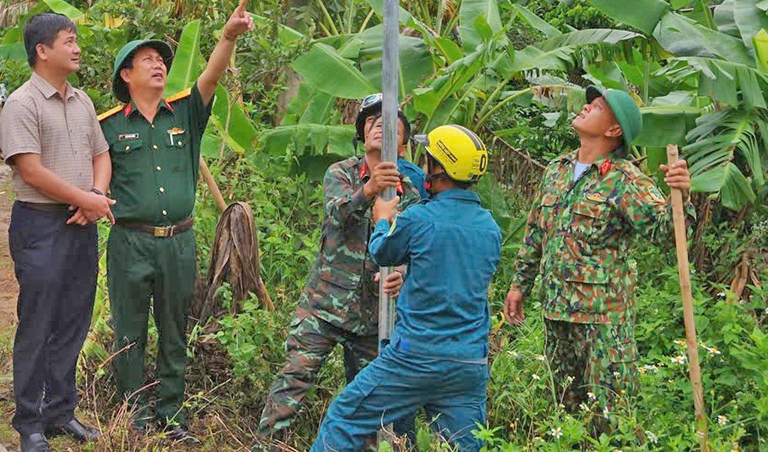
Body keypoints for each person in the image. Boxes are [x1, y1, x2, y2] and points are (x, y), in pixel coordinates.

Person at [99, 0, 254, 443]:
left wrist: (228, 36)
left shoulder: (185, 110)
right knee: (129, 329)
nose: (158, 65)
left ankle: (171, 413)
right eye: (146, 60)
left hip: (178, 242)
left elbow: (212, 74)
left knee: (173, 328)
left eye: (161, 60)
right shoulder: (106, 126)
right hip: (130, 241)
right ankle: (136, 411)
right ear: (125, 75)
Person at [503, 86, 692, 427]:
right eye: (589, 102)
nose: (586, 107)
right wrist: (520, 285)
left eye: (597, 106)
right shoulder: (557, 170)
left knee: (610, 415)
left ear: (614, 130)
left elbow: (664, 233)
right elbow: (536, 233)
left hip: (601, 320)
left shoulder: (625, 180)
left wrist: (681, 196)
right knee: (564, 410)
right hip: (556, 311)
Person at [312, 124, 500, 452]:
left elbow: (384, 251)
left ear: (439, 168)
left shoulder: (419, 218)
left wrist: (384, 218)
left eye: (428, 159)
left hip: (416, 358)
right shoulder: (490, 227)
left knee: (344, 417)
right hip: (468, 364)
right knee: (465, 446)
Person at [257, 93, 422, 442]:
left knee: (370, 408)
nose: (380, 126)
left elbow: (417, 250)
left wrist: (402, 275)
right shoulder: (342, 173)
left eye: (390, 123)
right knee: (292, 384)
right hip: (323, 306)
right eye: (372, 122)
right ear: (361, 135)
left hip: (374, 317)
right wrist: (369, 190)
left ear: (404, 143)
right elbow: (337, 214)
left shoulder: (411, 193)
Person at [0, 13, 114, 452]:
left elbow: (101, 154)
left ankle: (61, 412)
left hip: (81, 224)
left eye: (77, 39)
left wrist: (95, 194)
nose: (77, 47)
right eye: (69, 40)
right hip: (41, 225)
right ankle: (29, 421)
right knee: (38, 323)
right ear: (42, 50)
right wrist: (85, 199)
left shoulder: (82, 100)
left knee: (73, 319)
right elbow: (30, 169)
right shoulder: (23, 103)